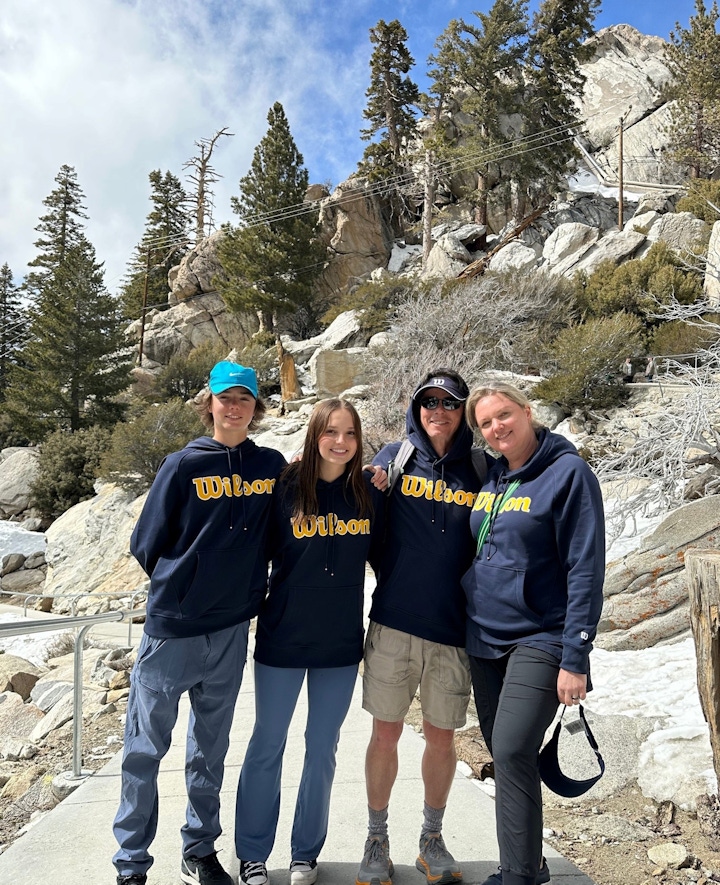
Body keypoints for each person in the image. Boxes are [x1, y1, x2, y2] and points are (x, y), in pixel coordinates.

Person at [113, 361, 286, 885]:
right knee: (144, 752)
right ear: (208, 403)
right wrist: (186, 587)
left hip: (231, 632)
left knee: (210, 752)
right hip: (173, 632)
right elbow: (146, 542)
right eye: (224, 397)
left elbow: (284, 527)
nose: (234, 407)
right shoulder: (182, 465)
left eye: (244, 398)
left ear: (256, 407)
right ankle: (131, 864)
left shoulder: (270, 465)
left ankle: (199, 849)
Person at [235, 399, 385, 885]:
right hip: (282, 637)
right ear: (314, 434)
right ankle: (252, 853)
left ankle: (305, 853)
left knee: (322, 748)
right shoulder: (283, 488)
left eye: (350, 433)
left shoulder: (369, 493)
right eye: (330, 432)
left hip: (339, 644)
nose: (340, 442)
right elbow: (251, 552)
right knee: (267, 744)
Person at [462, 382, 605, 885]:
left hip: (542, 636)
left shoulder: (568, 473)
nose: (496, 427)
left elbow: (585, 568)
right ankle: (524, 864)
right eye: (485, 423)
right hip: (484, 638)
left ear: (527, 411)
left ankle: (518, 875)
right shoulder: (494, 475)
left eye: (504, 415)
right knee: (509, 757)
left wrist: (575, 657)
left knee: (511, 748)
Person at [357, 368, 488, 885]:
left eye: (450, 403)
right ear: (416, 408)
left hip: (452, 629)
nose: (439, 411)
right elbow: (351, 492)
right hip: (393, 621)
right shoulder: (395, 457)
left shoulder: (481, 468)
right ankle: (376, 839)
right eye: (429, 402)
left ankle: (431, 839)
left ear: (463, 411)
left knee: (441, 738)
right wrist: (304, 463)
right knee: (385, 733)